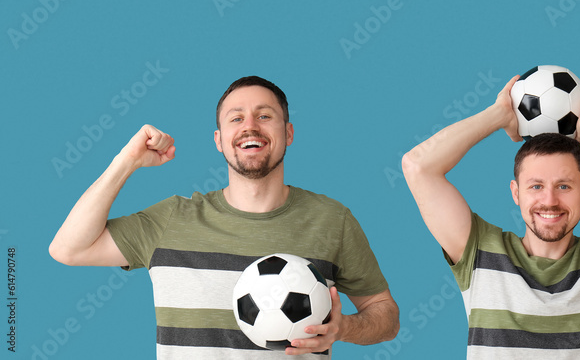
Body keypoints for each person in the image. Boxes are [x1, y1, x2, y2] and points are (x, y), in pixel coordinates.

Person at [49, 76, 400, 359]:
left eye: (265, 116)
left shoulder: (331, 219)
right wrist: (126, 161)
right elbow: (69, 249)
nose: (250, 126)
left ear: (288, 133)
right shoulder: (173, 219)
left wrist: (345, 328)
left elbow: (385, 314)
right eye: (236, 118)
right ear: (219, 140)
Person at [401, 75, 580, 359]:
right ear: (516, 193)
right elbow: (418, 166)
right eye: (536, 186)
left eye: (564, 186)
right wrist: (497, 115)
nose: (549, 201)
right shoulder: (478, 251)